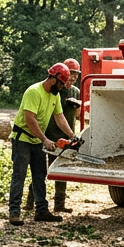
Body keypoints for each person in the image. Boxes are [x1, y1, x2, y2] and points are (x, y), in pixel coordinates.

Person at [9, 63, 77, 225]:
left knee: (40, 175)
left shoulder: (54, 96)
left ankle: (41, 210)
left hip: (37, 140)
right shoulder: (34, 92)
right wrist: (45, 139)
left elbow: (59, 117)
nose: (61, 88)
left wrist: (72, 135)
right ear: (53, 79)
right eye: (61, 84)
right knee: (19, 175)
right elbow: (29, 119)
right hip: (23, 140)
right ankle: (14, 212)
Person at [27, 58, 81, 214]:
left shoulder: (75, 91)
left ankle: (59, 204)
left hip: (65, 137)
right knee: (41, 171)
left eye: (75, 76)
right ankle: (31, 202)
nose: (71, 79)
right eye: (70, 74)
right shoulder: (54, 89)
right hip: (49, 135)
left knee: (61, 172)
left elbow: (76, 116)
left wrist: (78, 105)